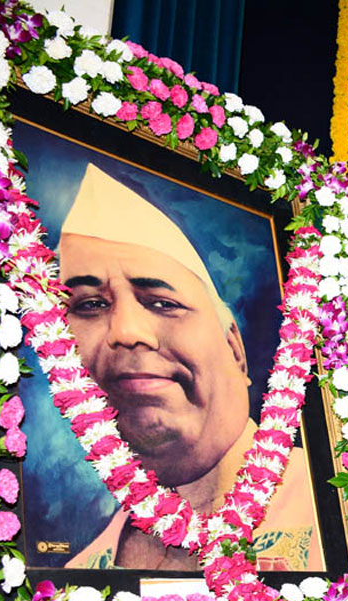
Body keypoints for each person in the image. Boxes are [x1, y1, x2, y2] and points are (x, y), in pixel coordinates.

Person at [61, 164, 321, 571]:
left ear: (235, 347)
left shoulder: (339, 514)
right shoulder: (78, 581)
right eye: (90, 305)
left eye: (162, 303)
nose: (127, 332)